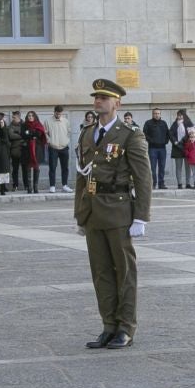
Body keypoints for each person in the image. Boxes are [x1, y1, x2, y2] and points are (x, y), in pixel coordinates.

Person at [76, 78, 152, 349]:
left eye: (104, 98)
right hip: (94, 211)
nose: (98, 102)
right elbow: (81, 177)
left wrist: (141, 217)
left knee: (124, 272)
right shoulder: (87, 133)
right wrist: (80, 213)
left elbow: (143, 178)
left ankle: (126, 328)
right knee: (101, 273)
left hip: (119, 210)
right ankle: (108, 325)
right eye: (96, 97)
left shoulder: (130, 134)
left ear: (117, 103)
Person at [144, 108, 172, 189]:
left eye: (158, 113)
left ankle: (161, 184)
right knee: (152, 167)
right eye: (155, 113)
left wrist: (165, 141)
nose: (157, 115)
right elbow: (145, 134)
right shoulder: (148, 123)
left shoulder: (164, 123)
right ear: (153, 114)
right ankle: (153, 183)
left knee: (162, 167)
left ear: (160, 114)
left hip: (162, 149)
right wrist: (151, 141)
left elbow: (168, 133)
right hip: (152, 149)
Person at [47, 104, 73, 191]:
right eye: (57, 113)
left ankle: (65, 185)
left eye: (60, 114)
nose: (58, 115)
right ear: (54, 112)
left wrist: (66, 141)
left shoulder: (66, 121)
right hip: (53, 147)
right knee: (52, 167)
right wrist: (49, 141)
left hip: (64, 147)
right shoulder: (48, 121)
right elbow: (45, 133)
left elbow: (69, 132)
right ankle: (52, 186)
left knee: (65, 167)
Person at [171, 108, 194, 189]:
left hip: (187, 147)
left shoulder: (188, 123)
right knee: (178, 167)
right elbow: (171, 134)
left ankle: (188, 183)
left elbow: (191, 134)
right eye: (178, 115)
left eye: (181, 115)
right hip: (177, 148)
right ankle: (179, 184)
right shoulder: (174, 124)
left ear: (184, 115)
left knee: (188, 167)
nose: (179, 117)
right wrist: (174, 141)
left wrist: (181, 141)